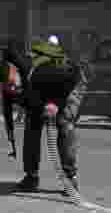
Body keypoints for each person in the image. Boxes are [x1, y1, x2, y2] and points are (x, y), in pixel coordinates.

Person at [6, 38, 86, 193]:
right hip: (42, 89)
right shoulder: (23, 72)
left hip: (70, 86)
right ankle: (31, 176)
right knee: (32, 126)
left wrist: (56, 103)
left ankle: (70, 178)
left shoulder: (62, 66)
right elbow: (27, 96)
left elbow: (72, 79)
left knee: (65, 125)